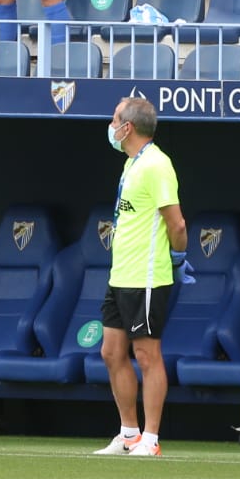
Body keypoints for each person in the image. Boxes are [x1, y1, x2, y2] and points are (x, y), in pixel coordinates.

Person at [95, 97, 189, 458]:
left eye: (113, 118)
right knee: (111, 352)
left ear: (127, 127)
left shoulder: (157, 165)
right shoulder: (131, 165)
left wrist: (178, 258)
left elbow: (176, 223)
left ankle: (150, 439)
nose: (111, 125)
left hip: (147, 277)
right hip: (120, 274)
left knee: (147, 355)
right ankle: (129, 434)